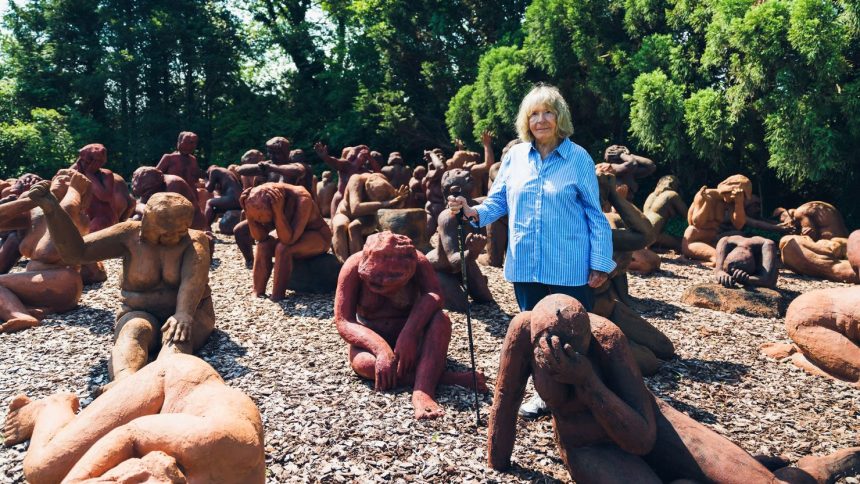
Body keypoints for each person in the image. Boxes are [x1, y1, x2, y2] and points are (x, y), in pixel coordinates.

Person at [488, 294, 860, 483]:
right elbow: (504, 405)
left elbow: (642, 440)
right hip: (588, 445)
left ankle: (820, 468)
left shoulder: (606, 338)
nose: (557, 356)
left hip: (649, 422)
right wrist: (499, 464)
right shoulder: (521, 332)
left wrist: (587, 381)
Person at [448, 84, 615, 418]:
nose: (541, 120)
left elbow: (595, 215)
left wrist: (600, 262)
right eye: (534, 114)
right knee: (537, 334)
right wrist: (470, 210)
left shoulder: (578, 157)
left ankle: (585, 398)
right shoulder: (515, 158)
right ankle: (547, 395)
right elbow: (497, 202)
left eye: (548, 112)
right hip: (526, 263)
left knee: (573, 333)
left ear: (560, 117)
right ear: (526, 121)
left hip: (569, 263)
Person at [3, 354, 265, 483]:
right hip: (169, 382)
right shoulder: (207, 443)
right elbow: (131, 433)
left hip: (175, 432)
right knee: (44, 469)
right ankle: (51, 408)